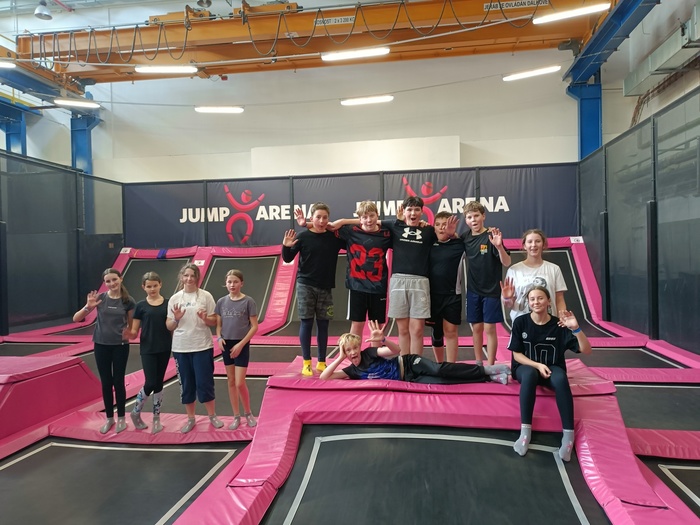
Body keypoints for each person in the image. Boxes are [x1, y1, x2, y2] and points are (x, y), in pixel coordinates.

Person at [508, 286, 592, 462]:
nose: (536, 302)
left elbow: (586, 350)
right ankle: (525, 432)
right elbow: (517, 355)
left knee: (560, 379)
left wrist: (576, 328)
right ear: (528, 302)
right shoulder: (521, 322)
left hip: (552, 367)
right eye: (532, 299)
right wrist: (538, 365)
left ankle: (568, 436)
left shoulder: (559, 325)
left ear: (548, 302)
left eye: (540, 298)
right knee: (530, 375)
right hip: (526, 366)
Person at [320, 321, 510, 383]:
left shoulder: (369, 353)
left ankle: (487, 369)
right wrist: (340, 357)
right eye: (349, 350)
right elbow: (324, 377)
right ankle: (488, 378)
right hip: (409, 378)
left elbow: (397, 350)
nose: (353, 352)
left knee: (438, 369)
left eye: (355, 348)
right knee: (441, 382)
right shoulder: (352, 371)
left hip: (409, 363)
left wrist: (383, 339)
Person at [283, 202, 345, 376]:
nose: (322, 221)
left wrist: (341, 223)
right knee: (307, 322)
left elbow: (352, 239)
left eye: (325, 217)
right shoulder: (303, 237)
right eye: (318, 217)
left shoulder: (334, 238)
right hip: (306, 285)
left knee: (323, 325)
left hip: (325, 286)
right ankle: (307, 362)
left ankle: (322, 362)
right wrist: (286, 246)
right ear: (312, 218)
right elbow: (287, 258)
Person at [73, 268, 135, 434]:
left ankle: (121, 418)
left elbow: (131, 326)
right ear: (105, 283)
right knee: (106, 382)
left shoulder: (128, 301)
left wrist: (130, 333)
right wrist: (88, 307)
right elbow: (76, 318)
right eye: (108, 281)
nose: (112, 283)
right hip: (101, 345)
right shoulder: (100, 298)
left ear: (120, 279)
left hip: (120, 346)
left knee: (118, 381)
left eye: (114, 279)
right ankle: (109, 418)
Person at [166, 263, 223, 433]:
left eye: (192, 275)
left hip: (202, 346)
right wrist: (176, 319)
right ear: (181, 277)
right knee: (186, 385)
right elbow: (169, 326)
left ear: (197, 277)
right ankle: (191, 418)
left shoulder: (205, 296)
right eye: (186, 276)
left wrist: (205, 318)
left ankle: (212, 415)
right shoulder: (175, 298)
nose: (189, 279)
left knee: (205, 383)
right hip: (181, 347)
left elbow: (214, 321)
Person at [461, 201, 511, 365]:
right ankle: (478, 363)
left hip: (491, 291)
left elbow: (507, 262)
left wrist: (499, 247)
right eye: (469, 217)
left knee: (489, 328)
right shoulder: (465, 237)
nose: (473, 220)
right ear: (466, 220)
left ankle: (490, 364)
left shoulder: (492, 235)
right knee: (476, 328)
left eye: (476, 216)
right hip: (473, 290)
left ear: (483, 216)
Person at [334, 200, 392, 337]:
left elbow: (402, 227)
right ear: (359, 219)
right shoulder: (350, 231)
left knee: (377, 327)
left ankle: (375, 351)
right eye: (365, 217)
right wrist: (343, 221)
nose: (369, 220)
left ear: (377, 215)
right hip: (357, 286)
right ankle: (354, 351)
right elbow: (327, 226)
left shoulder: (386, 234)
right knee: (357, 324)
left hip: (378, 287)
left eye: (372, 216)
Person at [124, 272, 172, 434]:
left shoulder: (168, 303)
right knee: (150, 382)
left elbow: (171, 326)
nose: (152, 289)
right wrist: (129, 334)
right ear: (143, 287)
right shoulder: (140, 306)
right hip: (148, 348)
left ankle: (156, 418)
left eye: (155, 285)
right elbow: (134, 330)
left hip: (164, 347)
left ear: (160, 284)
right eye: (149, 286)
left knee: (159, 383)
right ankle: (136, 412)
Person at [215, 269, 259, 430]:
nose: (232, 285)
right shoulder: (221, 302)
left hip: (241, 343)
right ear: (225, 284)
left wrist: (241, 344)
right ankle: (236, 415)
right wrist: (219, 338)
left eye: (235, 282)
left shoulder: (248, 301)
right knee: (231, 381)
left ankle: (248, 412)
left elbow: (254, 326)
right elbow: (218, 325)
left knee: (240, 383)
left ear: (241, 283)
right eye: (229, 282)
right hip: (226, 344)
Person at [501, 228, 567, 323]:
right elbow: (509, 305)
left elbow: (559, 299)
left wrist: (562, 318)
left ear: (543, 245)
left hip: (548, 323)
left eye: (537, 241)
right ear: (524, 246)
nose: (533, 245)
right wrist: (507, 298)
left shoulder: (554, 269)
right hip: (522, 324)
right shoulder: (513, 270)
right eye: (530, 242)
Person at [427, 211, 466, 363]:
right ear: (433, 227)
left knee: (450, 331)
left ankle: (451, 367)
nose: (442, 228)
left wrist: (454, 235)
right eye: (438, 225)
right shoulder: (428, 243)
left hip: (452, 295)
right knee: (437, 332)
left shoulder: (459, 244)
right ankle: (439, 365)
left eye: (445, 224)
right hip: (431, 295)